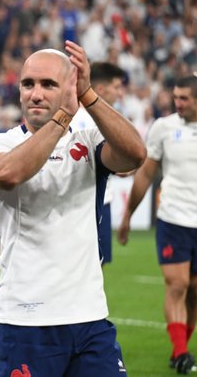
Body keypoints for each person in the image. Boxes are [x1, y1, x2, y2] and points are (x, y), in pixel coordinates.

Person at [0, 42, 146, 376]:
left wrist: (89, 96)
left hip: (89, 318)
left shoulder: (87, 141)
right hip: (24, 320)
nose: (35, 94)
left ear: (68, 86)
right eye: (28, 84)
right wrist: (64, 115)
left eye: (48, 84)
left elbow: (135, 155)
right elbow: (10, 174)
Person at [118, 75, 197, 374]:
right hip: (172, 219)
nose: (176, 103)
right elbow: (145, 174)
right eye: (175, 97)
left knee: (195, 288)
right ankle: (180, 352)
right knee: (177, 283)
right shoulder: (164, 128)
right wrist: (128, 215)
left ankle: (181, 346)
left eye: (183, 99)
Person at [70, 62, 129, 266]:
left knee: (96, 268)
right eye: (117, 86)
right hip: (83, 204)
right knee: (84, 268)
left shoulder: (106, 119)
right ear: (101, 89)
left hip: (103, 201)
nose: (120, 92)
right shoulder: (80, 120)